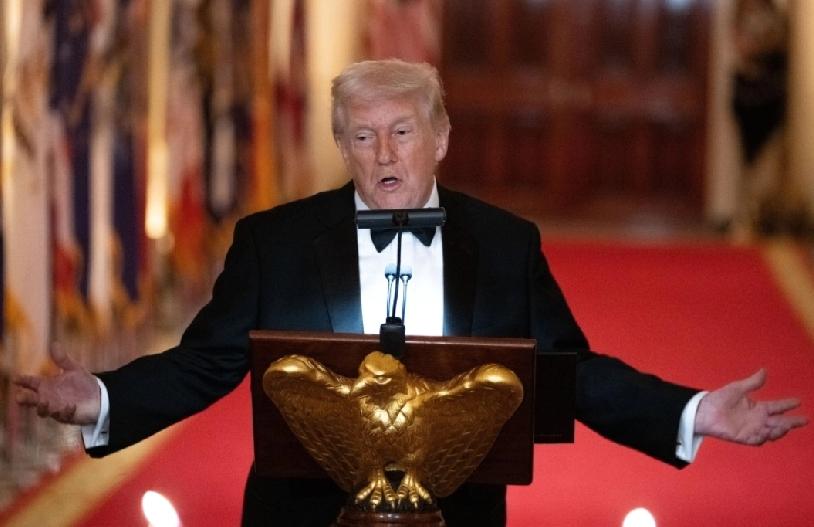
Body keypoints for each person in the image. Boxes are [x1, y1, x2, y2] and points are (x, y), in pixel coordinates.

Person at [15, 59, 807, 526]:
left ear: (441, 139)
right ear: (342, 145)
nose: (384, 154)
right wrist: (104, 396)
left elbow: (570, 371)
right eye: (363, 135)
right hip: (303, 513)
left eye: (402, 132)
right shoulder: (275, 241)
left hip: (457, 515)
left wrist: (693, 412)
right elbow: (205, 361)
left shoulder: (505, 243)